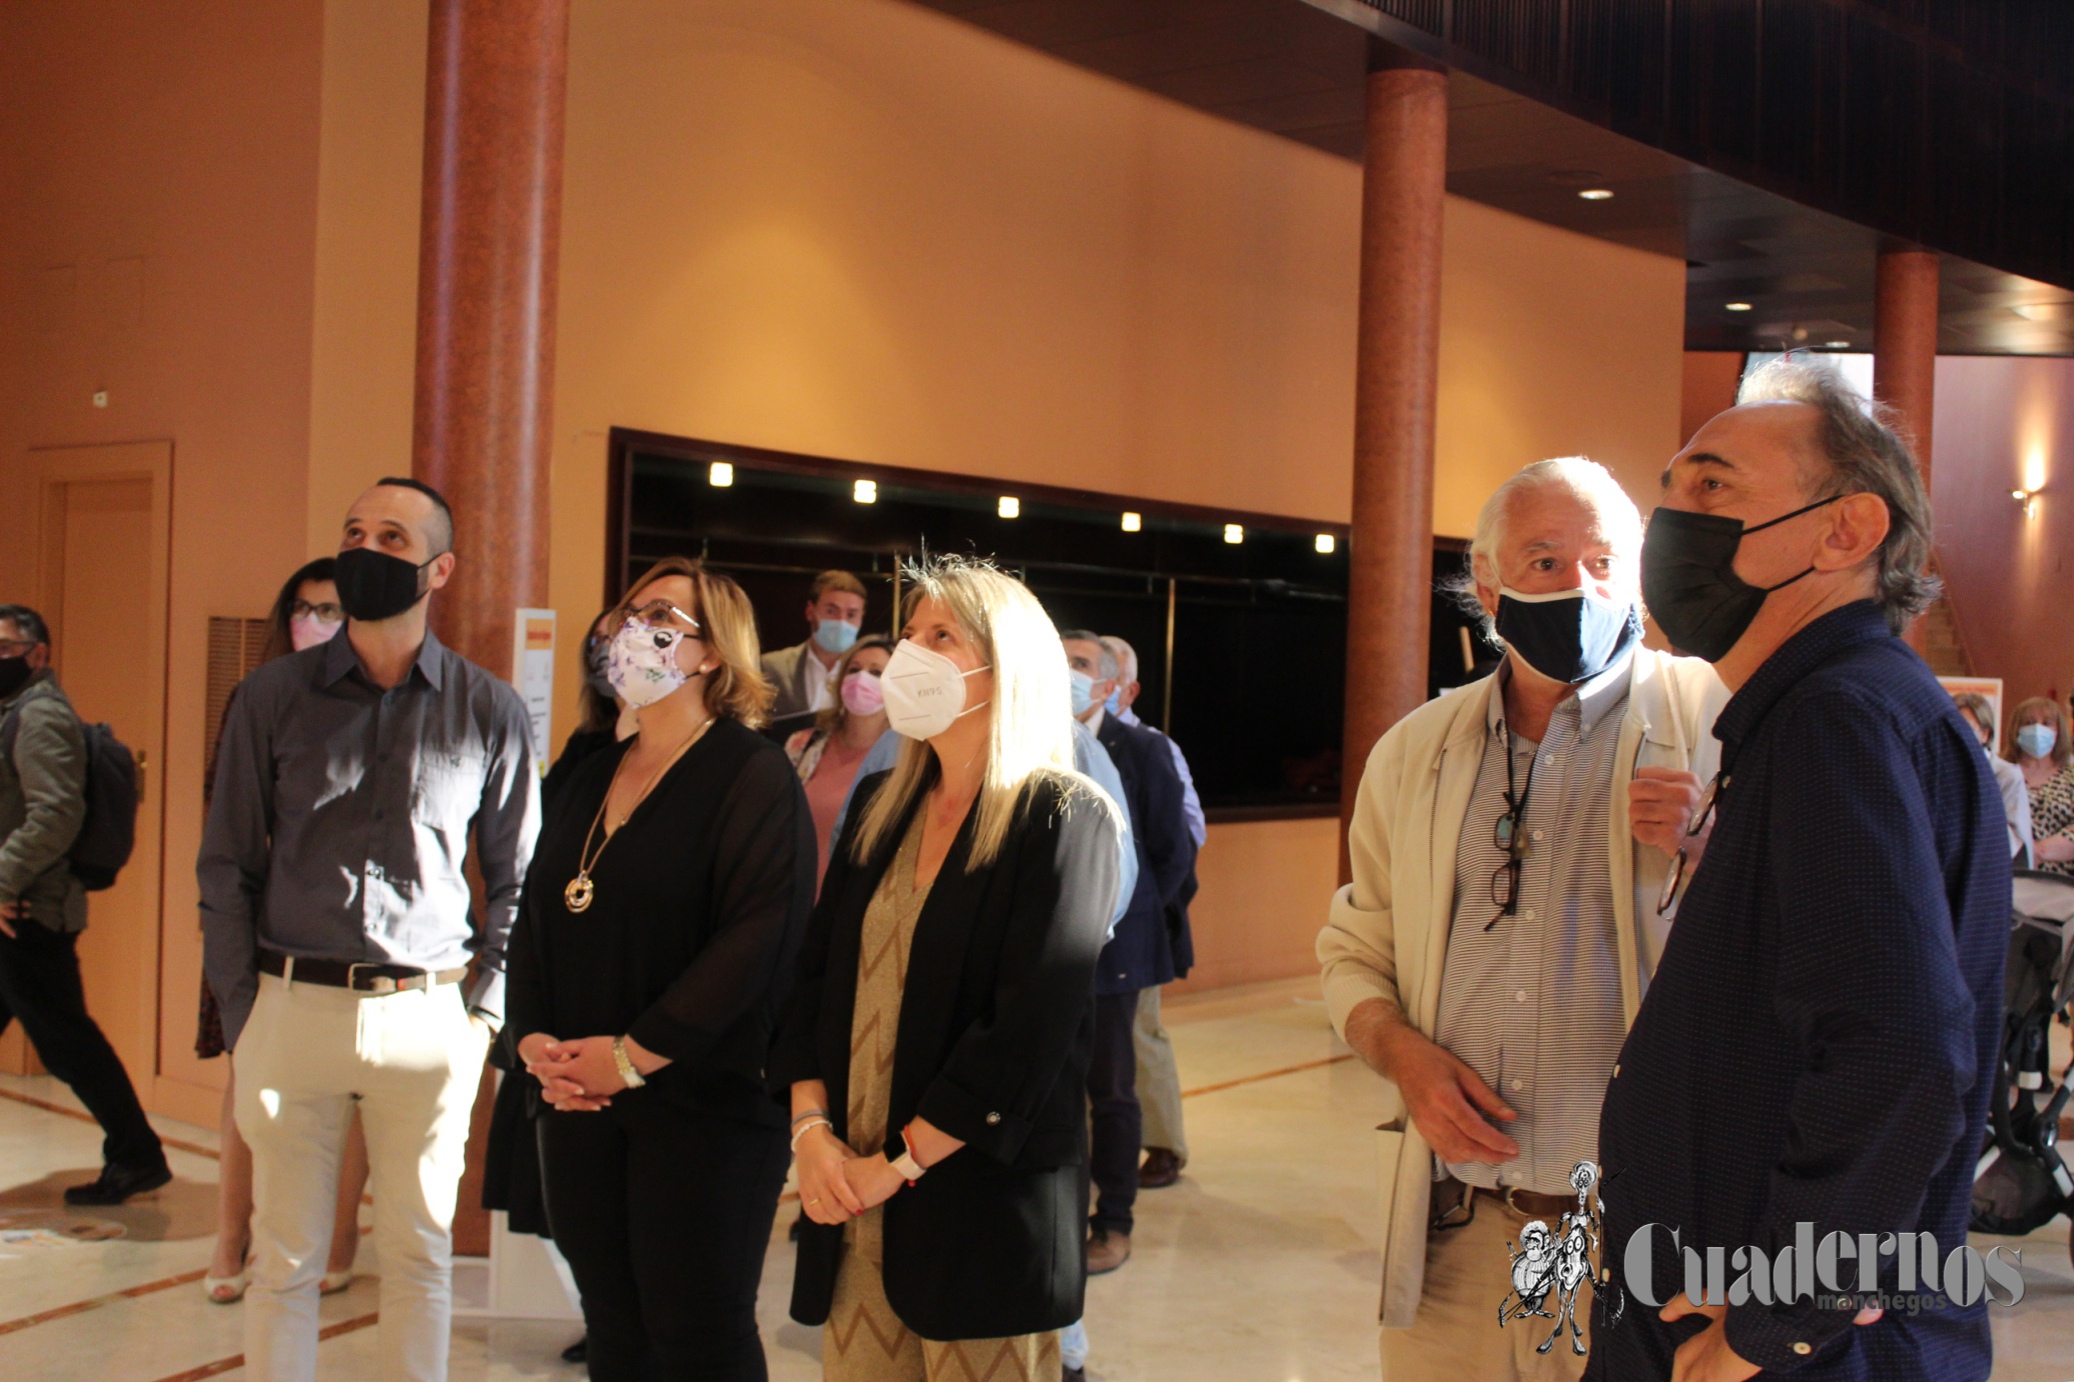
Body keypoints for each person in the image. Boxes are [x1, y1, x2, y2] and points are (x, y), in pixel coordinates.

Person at [1595, 359, 2005, 1381]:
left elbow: (1901, 1043)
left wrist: (1774, 1317)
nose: (1670, 518)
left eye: (1713, 486)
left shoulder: (1835, 717)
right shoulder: (1829, 710)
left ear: (1844, 531)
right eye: (1669, 487)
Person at [1316, 458, 1724, 1381]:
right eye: (1545, 561)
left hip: (1631, 1246)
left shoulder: (1712, 722)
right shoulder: (1416, 751)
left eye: (1604, 561)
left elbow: (1805, 943)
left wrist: (1713, 850)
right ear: (1489, 587)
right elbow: (1354, 948)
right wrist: (1398, 1053)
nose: (1580, 585)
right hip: (1456, 1236)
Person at [199, 478, 539, 1382]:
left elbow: (517, 883)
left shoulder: (488, 708)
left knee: (420, 1258)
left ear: (440, 568)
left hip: (429, 1015)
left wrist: (481, 1019)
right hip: (290, 1002)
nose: (364, 549)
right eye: (354, 531)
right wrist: (243, 1010)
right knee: (286, 1262)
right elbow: (226, 863)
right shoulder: (271, 697)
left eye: (392, 536)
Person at [773, 556, 1123, 1382]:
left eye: (940, 636)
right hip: (854, 1201)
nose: (908, 656)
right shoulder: (880, 803)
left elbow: (1026, 1033)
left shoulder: (1066, 818)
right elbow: (815, 977)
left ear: (1005, 671)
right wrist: (813, 1135)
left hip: (974, 1209)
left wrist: (892, 1167)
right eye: (907, 635)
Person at [507, 556, 814, 1382]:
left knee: (697, 1331)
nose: (630, 632)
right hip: (577, 1096)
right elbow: (538, 912)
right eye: (628, 614)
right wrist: (534, 1040)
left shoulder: (749, 773)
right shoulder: (592, 770)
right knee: (613, 1323)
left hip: (702, 1103)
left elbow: (756, 941)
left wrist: (632, 1055)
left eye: (661, 618)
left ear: (712, 653)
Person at [199, 558, 372, 1304]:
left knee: (354, 1098)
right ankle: (230, 1235)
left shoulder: (381, 701)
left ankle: (341, 1235)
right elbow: (226, 826)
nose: (314, 622)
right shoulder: (260, 696)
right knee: (249, 1089)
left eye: (331, 610)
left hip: (349, 937)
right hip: (257, 926)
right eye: (303, 607)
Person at [0, 604, 170, 1205]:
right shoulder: (15, 711)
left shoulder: (40, 716)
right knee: (67, 1038)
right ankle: (136, 1152)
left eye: (6, 647)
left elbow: (56, 815)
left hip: (29, 913)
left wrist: (2, 881)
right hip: (17, 907)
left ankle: (137, 1153)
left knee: (68, 1043)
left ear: (38, 653)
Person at [1061, 628, 1195, 1274]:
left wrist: (1127, 916)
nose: (1068, 673)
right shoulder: (1032, 745)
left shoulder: (1141, 749)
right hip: (1048, 953)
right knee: (1054, 1088)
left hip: (1115, 952)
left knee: (1112, 1090)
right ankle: (1056, 1215)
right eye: (1060, 662)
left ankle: (1113, 1221)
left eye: (1081, 665)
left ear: (1111, 685)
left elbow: (1173, 853)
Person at [1098, 634, 1201, 1191]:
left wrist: (1140, 909)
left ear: (1124, 687)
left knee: (1141, 1034)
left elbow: (1185, 837)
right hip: (1082, 929)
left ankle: (1163, 1144)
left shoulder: (1152, 746)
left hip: (1137, 924)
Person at [786, 634, 894, 888]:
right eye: (854, 669)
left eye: (876, 672)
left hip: (850, 898)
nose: (861, 679)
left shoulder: (900, 758)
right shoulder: (801, 744)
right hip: (789, 894)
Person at [762, 570, 868, 719]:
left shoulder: (873, 674)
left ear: (861, 618)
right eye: (831, 611)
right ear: (810, 611)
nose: (841, 621)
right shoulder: (772, 667)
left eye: (851, 615)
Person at [1951, 691, 2031, 866]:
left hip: (1992, 867)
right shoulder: (1940, 772)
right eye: (1951, 728)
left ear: (1985, 734)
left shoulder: (2006, 774)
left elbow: (2015, 839)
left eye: (1966, 728)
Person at [2009, 695, 2074, 876]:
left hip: (2062, 885)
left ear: (2059, 730)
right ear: (2016, 729)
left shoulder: (2071, 777)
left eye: (2047, 723)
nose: (2038, 729)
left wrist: (2037, 852)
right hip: (2008, 879)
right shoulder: (2000, 774)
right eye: (2029, 722)